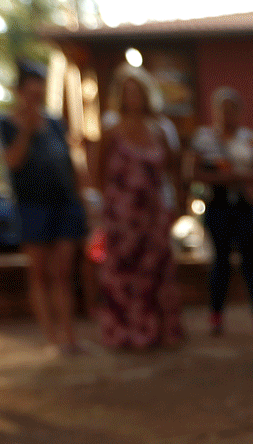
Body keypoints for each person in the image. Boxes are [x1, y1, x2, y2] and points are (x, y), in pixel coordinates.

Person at [0, 60, 86, 355]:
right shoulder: (6, 123)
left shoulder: (56, 124)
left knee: (63, 271)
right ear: (20, 91)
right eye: (31, 92)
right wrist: (27, 129)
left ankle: (69, 336)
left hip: (64, 204)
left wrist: (82, 197)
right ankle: (51, 339)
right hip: (32, 207)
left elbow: (70, 165)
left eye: (40, 92)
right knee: (39, 273)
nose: (36, 97)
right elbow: (13, 161)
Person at [96, 64, 180, 350]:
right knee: (122, 273)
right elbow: (98, 173)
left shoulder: (161, 130)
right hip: (122, 218)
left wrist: (175, 207)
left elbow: (173, 171)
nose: (132, 98)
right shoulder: (111, 130)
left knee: (155, 271)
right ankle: (124, 333)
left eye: (137, 92)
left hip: (153, 215)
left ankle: (157, 330)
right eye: (127, 92)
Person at [187, 87, 253, 336]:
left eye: (231, 109)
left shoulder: (252, 139)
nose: (226, 115)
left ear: (240, 112)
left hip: (246, 207)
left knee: (251, 262)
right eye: (221, 109)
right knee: (220, 262)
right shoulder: (203, 139)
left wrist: (240, 176)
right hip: (218, 206)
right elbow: (192, 172)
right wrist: (222, 179)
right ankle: (216, 317)